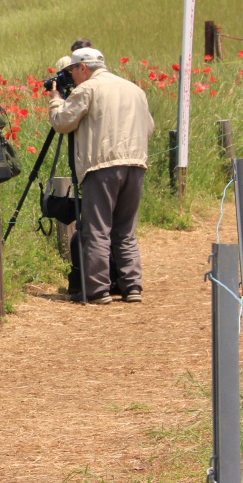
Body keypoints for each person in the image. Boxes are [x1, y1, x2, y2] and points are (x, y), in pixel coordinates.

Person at [46, 47, 154, 304]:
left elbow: (62, 122)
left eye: (73, 69)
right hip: (136, 164)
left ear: (83, 67)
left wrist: (55, 99)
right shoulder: (134, 90)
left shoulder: (88, 89)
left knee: (97, 230)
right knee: (125, 230)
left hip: (102, 166)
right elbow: (149, 127)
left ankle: (96, 290)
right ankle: (132, 287)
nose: (72, 75)